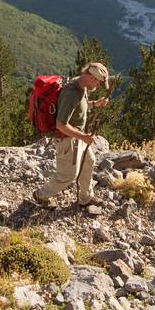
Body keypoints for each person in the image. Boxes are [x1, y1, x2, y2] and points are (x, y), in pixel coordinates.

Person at [32, 62, 110, 209]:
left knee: (89, 161)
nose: (98, 85)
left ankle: (85, 198)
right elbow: (61, 124)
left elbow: (80, 107)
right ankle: (40, 195)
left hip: (77, 137)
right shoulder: (71, 94)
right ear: (90, 76)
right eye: (98, 82)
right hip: (67, 140)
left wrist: (95, 103)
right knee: (67, 176)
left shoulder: (81, 85)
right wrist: (83, 137)